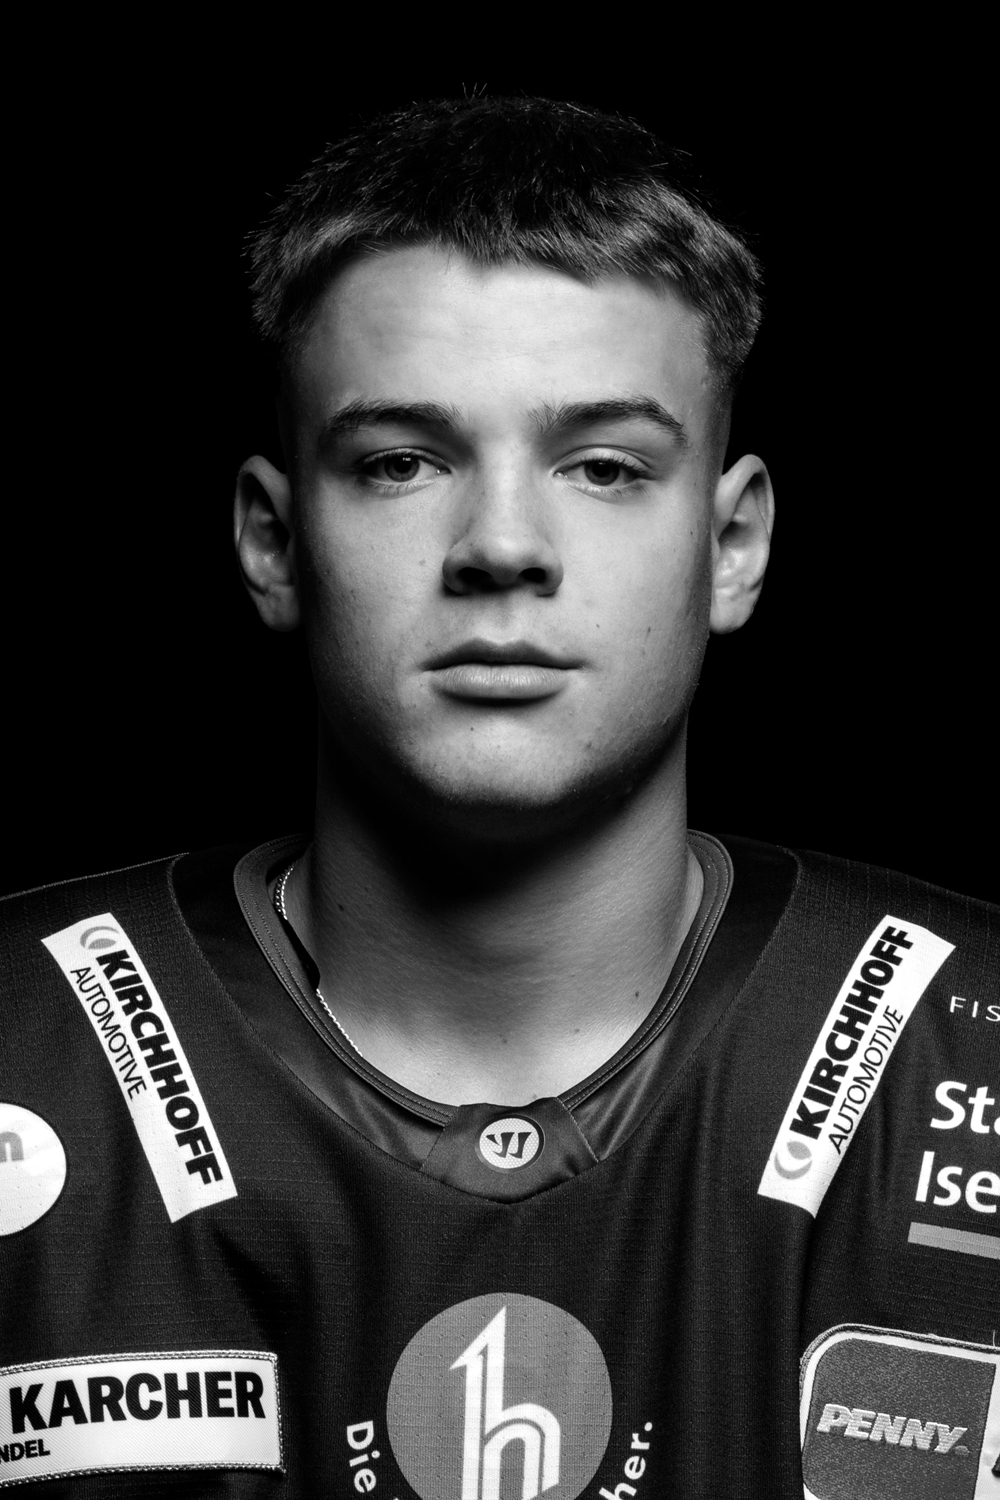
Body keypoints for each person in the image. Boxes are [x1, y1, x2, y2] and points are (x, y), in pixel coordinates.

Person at [1, 95, 996, 1499]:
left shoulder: (968, 1048)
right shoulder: (26, 1044)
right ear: (275, 542)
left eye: (605, 467)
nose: (504, 547)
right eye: (401, 463)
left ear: (732, 544)